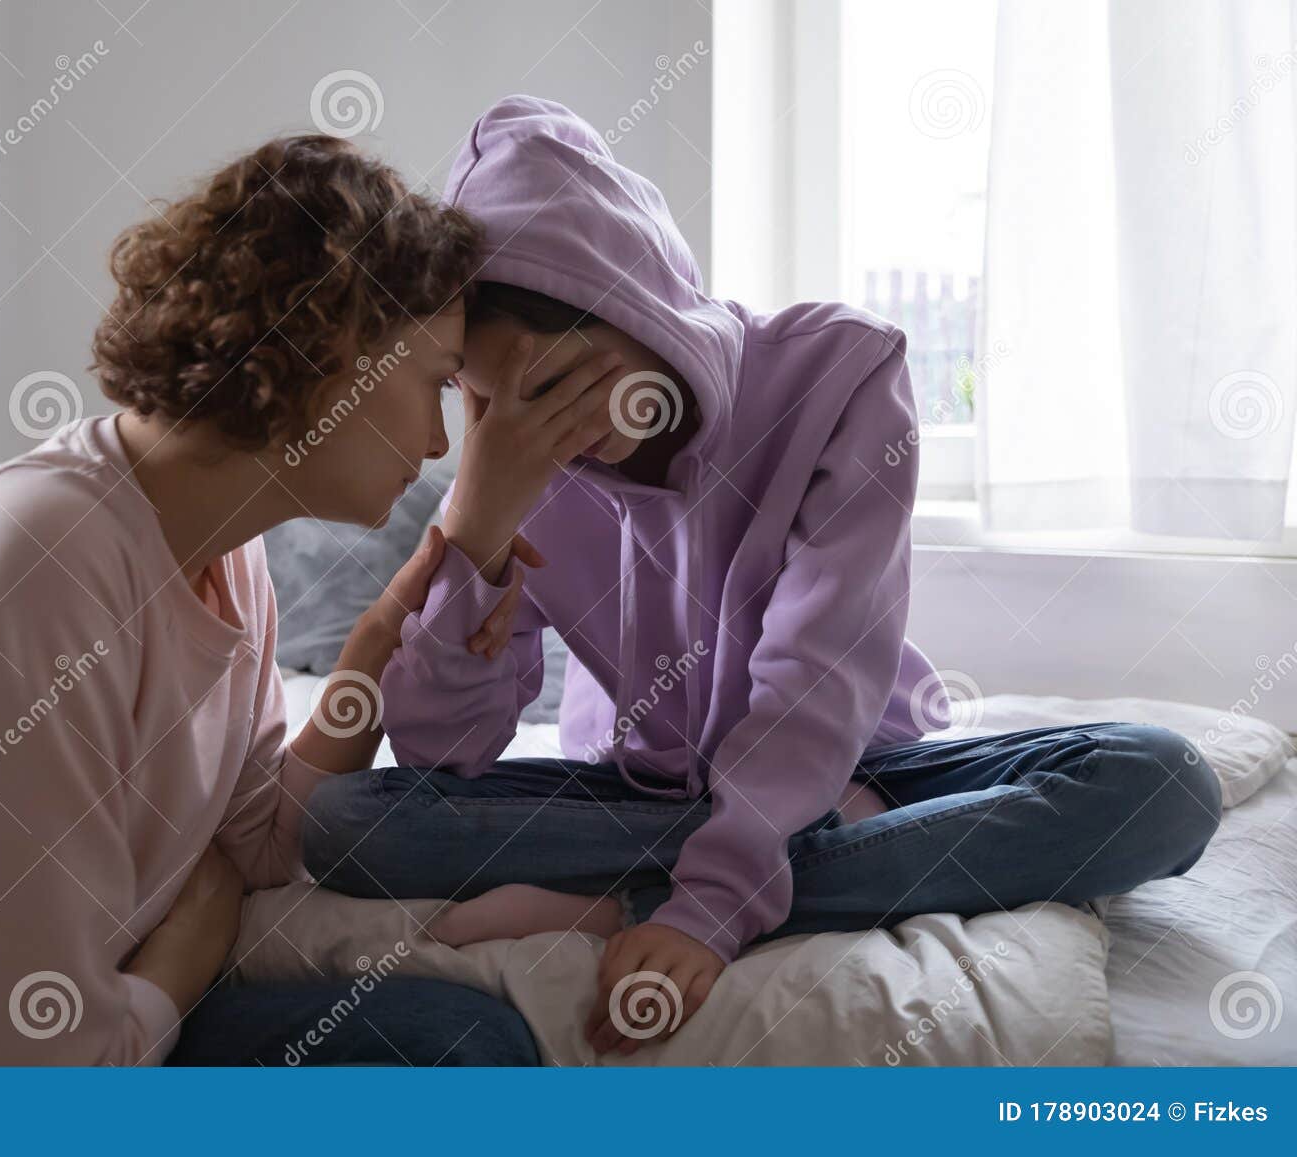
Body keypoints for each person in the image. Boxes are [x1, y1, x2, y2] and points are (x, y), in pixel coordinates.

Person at [301, 96, 1223, 1057]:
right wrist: (476, 543)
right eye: (484, 400)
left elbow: (812, 675)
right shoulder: (516, 466)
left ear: (638, 306)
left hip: (859, 765)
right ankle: (715, 872)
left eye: (559, 387)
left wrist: (709, 904)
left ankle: (626, 891)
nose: (540, 434)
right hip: (637, 787)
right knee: (345, 824)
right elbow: (443, 759)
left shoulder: (842, 376)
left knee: (1160, 781)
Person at [0, 134, 544, 1067]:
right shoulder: (39, 561)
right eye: (437, 385)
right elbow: (23, 1079)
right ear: (331, 344)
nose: (436, 442)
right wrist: (178, 964)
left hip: (82, 1034)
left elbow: (261, 841)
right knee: (453, 1054)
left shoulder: (228, 559)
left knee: (456, 1041)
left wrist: (380, 639)